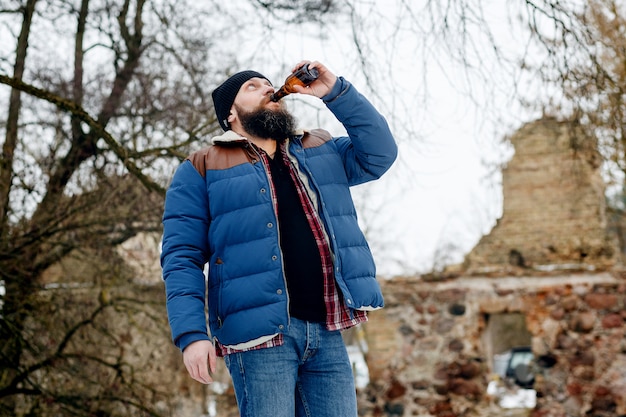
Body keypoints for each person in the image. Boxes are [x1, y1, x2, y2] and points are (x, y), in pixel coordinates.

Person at [161, 60, 397, 417]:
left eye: (269, 84)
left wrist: (335, 91)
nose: (269, 88)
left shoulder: (320, 148)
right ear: (231, 114)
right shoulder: (202, 167)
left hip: (327, 329)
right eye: (252, 87)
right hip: (259, 339)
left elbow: (380, 154)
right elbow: (181, 258)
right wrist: (192, 334)